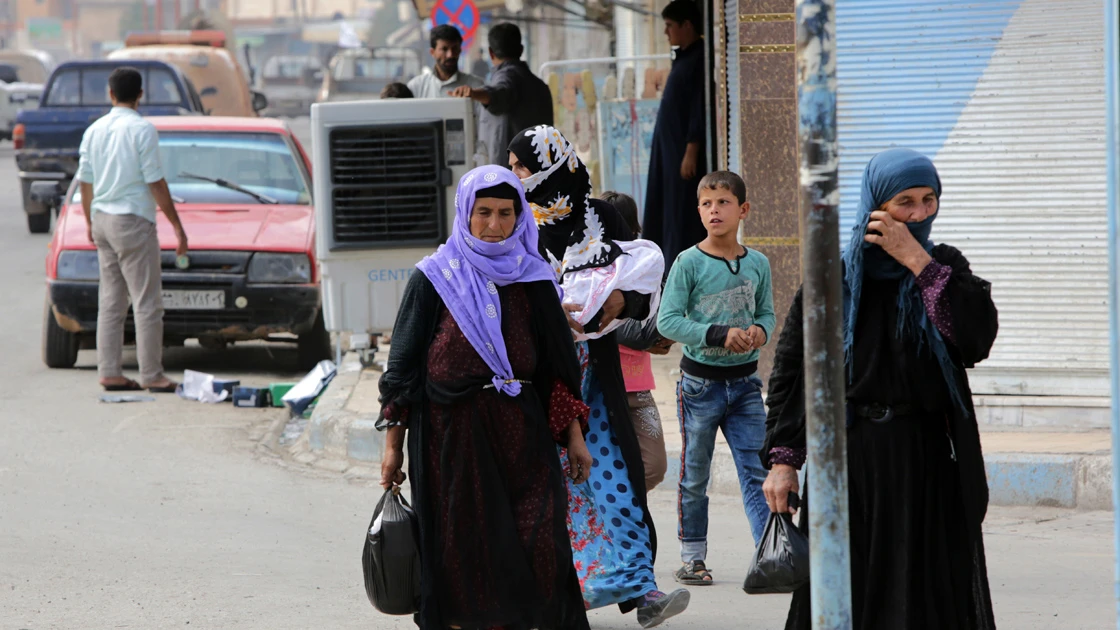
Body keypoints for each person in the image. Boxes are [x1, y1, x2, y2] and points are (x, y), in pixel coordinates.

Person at [761, 148, 999, 629]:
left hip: (926, 461)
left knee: (924, 594)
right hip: (850, 461)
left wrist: (917, 261)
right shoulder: (837, 274)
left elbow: (975, 340)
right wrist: (784, 461)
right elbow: (793, 369)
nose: (918, 214)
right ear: (875, 205)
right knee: (847, 589)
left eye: (928, 200)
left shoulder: (944, 266)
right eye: (904, 202)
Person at [377, 164, 593, 629]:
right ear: (464, 212)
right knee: (464, 550)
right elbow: (403, 370)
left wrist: (574, 436)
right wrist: (392, 446)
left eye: (506, 213)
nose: (494, 226)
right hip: (450, 442)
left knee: (540, 538)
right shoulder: (433, 278)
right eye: (483, 212)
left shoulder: (535, 280)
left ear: (521, 218)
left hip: (524, 437)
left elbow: (558, 369)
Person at [508, 125, 690, 628]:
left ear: (552, 164)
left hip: (596, 374)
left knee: (614, 479)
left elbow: (640, 275)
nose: (516, 176)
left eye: (522, 165)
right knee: (553, 490)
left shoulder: (600, 216)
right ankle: (566, 596)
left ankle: (642, 589)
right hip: (541, 378)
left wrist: (619, 302)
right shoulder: (515, 221)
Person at [656, 171, 775, 586]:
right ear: (698, 211)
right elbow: (668, 321)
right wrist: (718, 334)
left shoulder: (757, 263)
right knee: (694, 476)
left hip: (745, 387)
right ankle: (693, 558)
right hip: (699, 387)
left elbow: (767, 314)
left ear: (742, 210)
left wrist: (759, 333)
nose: (714, 210)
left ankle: (769, 554)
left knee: (757, 469)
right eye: (706, 204)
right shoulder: (688, 262)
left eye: (723, 202)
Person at [77, 67, 187, 394]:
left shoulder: (94, 130)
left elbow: (86, 182)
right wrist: (178, 228)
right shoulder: (142, 130)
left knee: (111, 301)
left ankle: (109, 371)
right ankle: (152, 374)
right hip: (132, 222)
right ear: (140, 95)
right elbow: (155, 181)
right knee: (146, 301)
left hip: (102, 221)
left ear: (110, 94)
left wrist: (88, 221)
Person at [601, 190, 672, 492]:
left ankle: (617, 507)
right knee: (600, 461)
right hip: (599, 386)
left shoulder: (645, 265)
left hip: (638, 386)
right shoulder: (590, 267)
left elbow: (659, 324)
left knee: (654, 466)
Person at [643, 0, 708, 275]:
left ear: (687, 26)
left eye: (670, 26)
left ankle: (682, 270)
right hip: (668, 154)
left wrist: (691, 150)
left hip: (682, 155)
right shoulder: (684, 57)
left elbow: (698, 107)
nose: (666, 33)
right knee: (666, 212)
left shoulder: (699, 59)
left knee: (680, 215)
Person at [453, 24, 553, 167]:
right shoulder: (540, 87)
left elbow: (500, 94)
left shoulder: (507, 77)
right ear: (521, 50)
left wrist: (474, 93)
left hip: (513, 179)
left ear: (491, 53)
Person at [406, 24, 484, 99]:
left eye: (454, 48)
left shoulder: (476, 88)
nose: (450, 55)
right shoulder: (416, 87)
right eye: (444, 49)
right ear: (432, 52)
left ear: (460, 50)